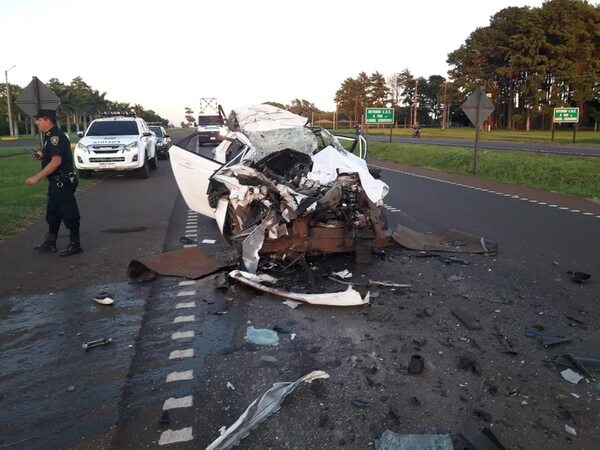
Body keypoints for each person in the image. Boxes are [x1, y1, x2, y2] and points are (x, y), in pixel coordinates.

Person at [26, 109, 82, 256]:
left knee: (69, 212)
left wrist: (37, 177)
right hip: (56, 182)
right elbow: (52, 154)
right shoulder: (50, 137)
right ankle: (51, 242)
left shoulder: (56, 137)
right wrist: (41, 155)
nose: (37, 122)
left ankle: (75, 244)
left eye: (39, 120)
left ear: (48, 120)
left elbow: (56, 162)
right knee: (53, 212)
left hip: (62, 181)